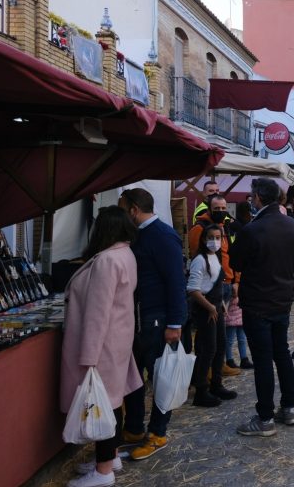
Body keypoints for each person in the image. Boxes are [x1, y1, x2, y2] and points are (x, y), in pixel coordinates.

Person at [61, 206, 142, 487]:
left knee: (104, 402)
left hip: (103, 344)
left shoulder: (107, 260)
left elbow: (98, 312)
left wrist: (89, 355)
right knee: (113, 400)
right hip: (117, 340)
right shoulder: (124, 253)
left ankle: (104, 470)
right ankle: (111, 457)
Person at [229, 178, 294, 436]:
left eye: (252, 195)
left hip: (258, 302)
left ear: (258, 197)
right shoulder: (290, 224)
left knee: (263, 360)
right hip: (282, 299)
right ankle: (289, 407)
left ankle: (265, 417)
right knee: (282, 354)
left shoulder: (253, 229)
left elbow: (236, 262)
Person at [118, 188, 187, 461]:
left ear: (134, 210)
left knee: (161, 378)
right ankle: (134, 428)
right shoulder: (138, 235)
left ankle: (157, 433)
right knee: (134, 377)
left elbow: (176, 282)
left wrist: (175, 323)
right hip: (138, 319)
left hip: (158, 321)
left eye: (122, 209)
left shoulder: (163, 236)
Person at [188, 194, 241, 378]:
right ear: (209, 209)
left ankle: (218, 367)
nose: (221, 211)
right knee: (206, 337)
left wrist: (236, 280)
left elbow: (232, 254)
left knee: (220, 335)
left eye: (223, 208)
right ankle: (205, 373)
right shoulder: (200, 229)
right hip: (208, 290)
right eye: (217, 208)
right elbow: (198, 257)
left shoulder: (225, 227)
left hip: (225, 284)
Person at [186, 224, 237, 407]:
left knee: (220, 346)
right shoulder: (199, 260)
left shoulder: (216, 256)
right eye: (211, 237)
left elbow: (214, 283)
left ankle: (216, 383)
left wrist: (220, 303)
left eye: (218, 238)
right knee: (208, 349)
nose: (214, 241)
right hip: (206, 309)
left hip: (216, 306)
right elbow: (193, 289)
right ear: (203, 239)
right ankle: (201, 390)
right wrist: (209, 307)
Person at [225, 288, 252, 370]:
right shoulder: (229, 287)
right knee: (229, 340)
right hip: (231, 318)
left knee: (242, 339)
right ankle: (229, 360)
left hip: (240, 316)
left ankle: (244, 359)